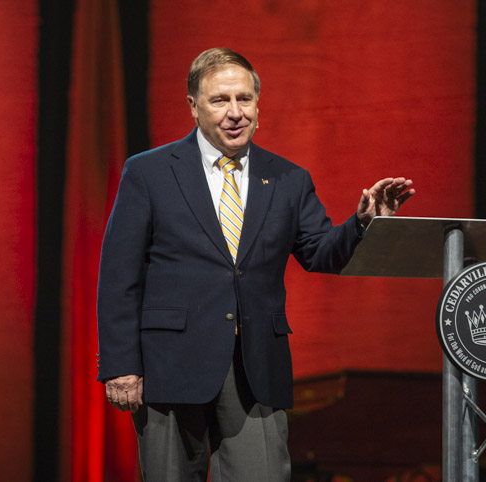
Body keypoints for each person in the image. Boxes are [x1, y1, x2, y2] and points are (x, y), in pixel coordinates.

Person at [96, 47, 415, 481]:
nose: (235, 113)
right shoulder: (149, 173)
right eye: (220, 100)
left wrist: (362, 224)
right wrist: (120, 365)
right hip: (169, 364)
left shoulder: (288, 178)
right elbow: (119, 277)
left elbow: (320, 251)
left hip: (255, 366)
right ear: (193, 107)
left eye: (244, 99)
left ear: (258, 106)